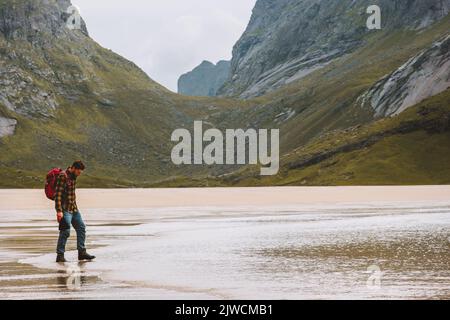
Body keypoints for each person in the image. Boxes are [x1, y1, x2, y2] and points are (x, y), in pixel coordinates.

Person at [55, 160, 95, 263]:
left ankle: (82, 253)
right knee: (65, 231)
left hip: (74, 208)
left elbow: (71, 193)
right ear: (73, 168)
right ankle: (60, 255)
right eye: (78, 172)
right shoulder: (63, 176)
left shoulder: (73, 177)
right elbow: (58, 195)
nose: (79, 174)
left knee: (81, 227)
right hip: (65, 209)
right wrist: (59, 211)